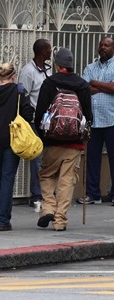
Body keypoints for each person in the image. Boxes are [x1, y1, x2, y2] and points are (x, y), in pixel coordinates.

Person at [35, 48, 92, 231]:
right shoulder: (82, 85)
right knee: (67, 180)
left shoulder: (49, 83)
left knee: (46, 175)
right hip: (74, 143)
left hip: (52, 141)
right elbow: (89, 116)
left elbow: (40, 112)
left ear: (57, 64)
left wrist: (42, 134)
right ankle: (60, 221)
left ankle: (48, 207)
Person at [0, 63, 34, 231]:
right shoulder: (18, 92)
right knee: (7, 178)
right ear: (14, 75)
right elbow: (27, 113)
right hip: (12, 138)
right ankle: (3, 220)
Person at [78, 36, 114, 205]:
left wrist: (95, 83)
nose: (103, 48)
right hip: (94, 120)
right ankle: (93, 194)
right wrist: (105, 86)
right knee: (92, 158)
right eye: (101, 45)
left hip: (112, 119)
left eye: (107, 45)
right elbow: (84, 90)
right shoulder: (90, 67)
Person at [18, 39, 52, 207]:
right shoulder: (28, 71)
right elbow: (23, 96)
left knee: (47, 157)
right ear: (42, 52)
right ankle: (36, 195)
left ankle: (46, 193)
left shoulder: (47, 70)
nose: (51, 51)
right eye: (49, 49)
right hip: (33, 120)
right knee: (37, 159)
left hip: (48, 120)